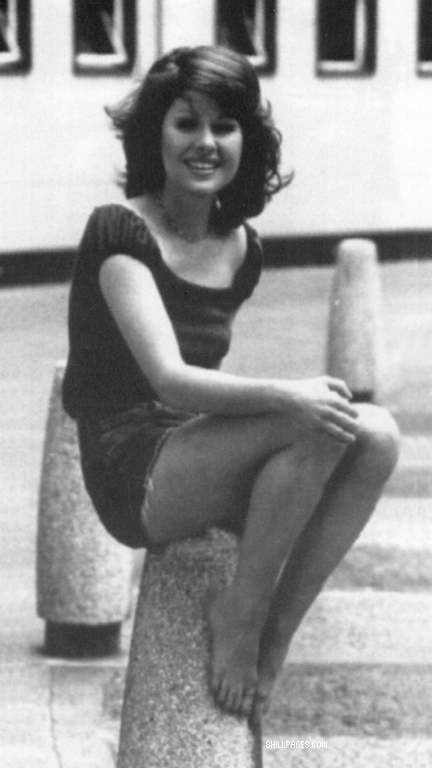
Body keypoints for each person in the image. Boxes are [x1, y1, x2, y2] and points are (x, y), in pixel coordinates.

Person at [62, 45, 399, 721]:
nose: (206, 143)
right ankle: (240, 615)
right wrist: (288, 395)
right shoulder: (119, 232)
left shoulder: (244, 249)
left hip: (192, 448)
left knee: (378, 436)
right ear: (156, 133)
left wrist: (293, 411)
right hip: (131, 469)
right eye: (186, 123)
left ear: (249, 139)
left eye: (225, 125)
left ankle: (275, 633)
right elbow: (170, 379)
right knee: (311, 417)